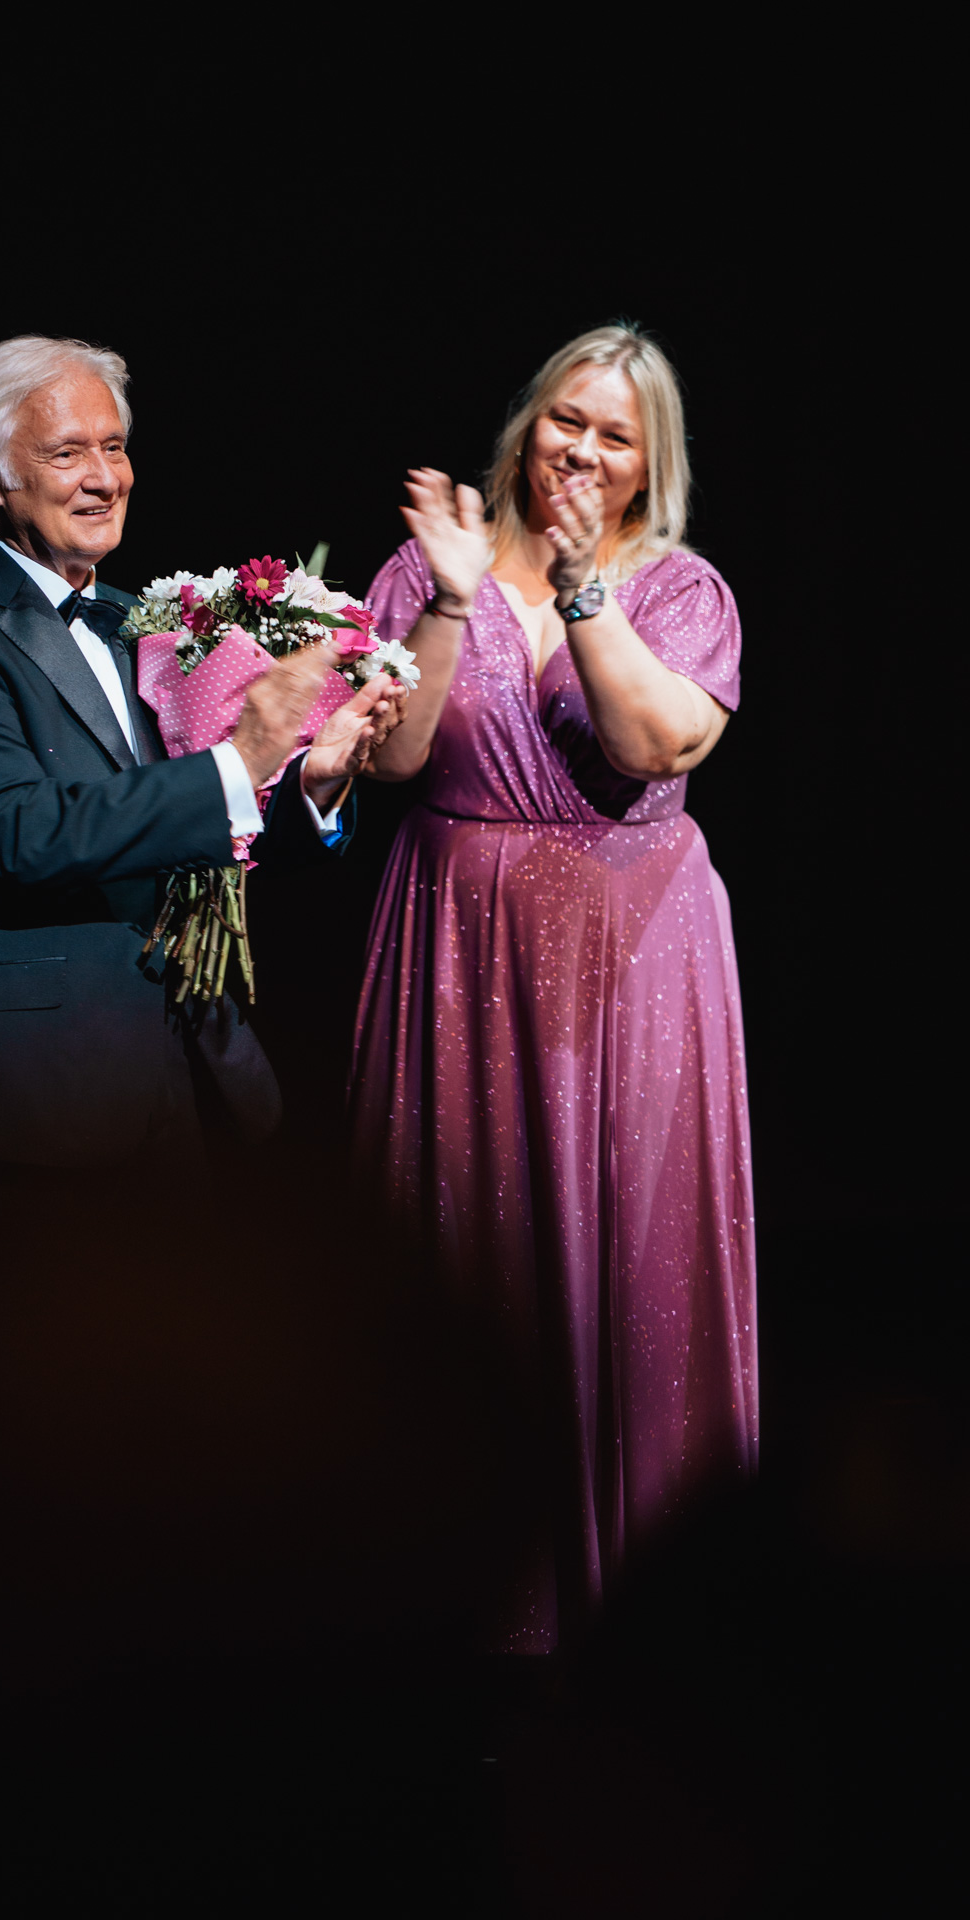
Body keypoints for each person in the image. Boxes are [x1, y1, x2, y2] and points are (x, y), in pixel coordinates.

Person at [0, 336, 404, 1668]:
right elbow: (22, 835)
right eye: (66, 452)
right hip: (28, 1103)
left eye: (114, 446)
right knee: (24, 1463)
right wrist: (240, 759)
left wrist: (310, 780)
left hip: (180, 1073)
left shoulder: (147, 621)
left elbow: (197, 836)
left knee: (181, 1446)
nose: (104, 476)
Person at [352, 324, 758, 1654]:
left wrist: (583, 590)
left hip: (631, 957)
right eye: (564, 420)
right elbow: (393, 761)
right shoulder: (431, 565)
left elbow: (652, 747)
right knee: (462, 1251)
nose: (580, 451)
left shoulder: (680, 590)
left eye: (613, 434)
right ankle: (454, 1607)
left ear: (651, 463)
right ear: (527, 424)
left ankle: (638, 1606)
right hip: (458, 938)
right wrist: (449, 599)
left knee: (625, 1266)